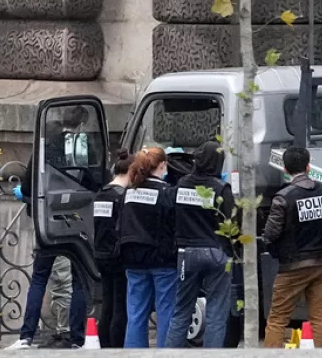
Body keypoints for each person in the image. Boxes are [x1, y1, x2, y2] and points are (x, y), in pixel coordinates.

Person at [6, 109, 92, 350]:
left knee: (40, 277)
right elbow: (95, 180)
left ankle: (26, 336)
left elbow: (28, 186)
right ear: (82, 122)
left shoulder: (44, 146)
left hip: (48, 220)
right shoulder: (83, 147)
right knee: (78, 279)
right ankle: (77, 338)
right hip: (77, 218)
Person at [261, 147, 322, 348]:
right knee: (318, 319)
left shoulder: (283, 197)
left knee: (278, 319)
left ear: (285, 169)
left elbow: (270, 234)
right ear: (308, 167)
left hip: (294, 265)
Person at [164, 141, 235, 348]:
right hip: (216, 252)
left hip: (187, 253)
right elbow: (231, 225)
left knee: (181, 312)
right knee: (216, 313)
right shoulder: (221, 189)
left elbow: (170, 215)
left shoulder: (182, 185)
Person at [118, 147, 177, 348]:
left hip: (133, 258)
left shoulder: (129, 192)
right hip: (163, 259)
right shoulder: (167, 192)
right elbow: (173, 225)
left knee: (135, 313)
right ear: (162, 165)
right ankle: (165, 353)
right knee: (166, 312)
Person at [93, 150, 132, 349]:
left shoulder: (102, 193)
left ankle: (105, 346)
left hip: (101, 253)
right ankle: (116, 348)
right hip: (118, 255)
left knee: (107, 302)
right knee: (120, 305)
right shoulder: (122, 196)